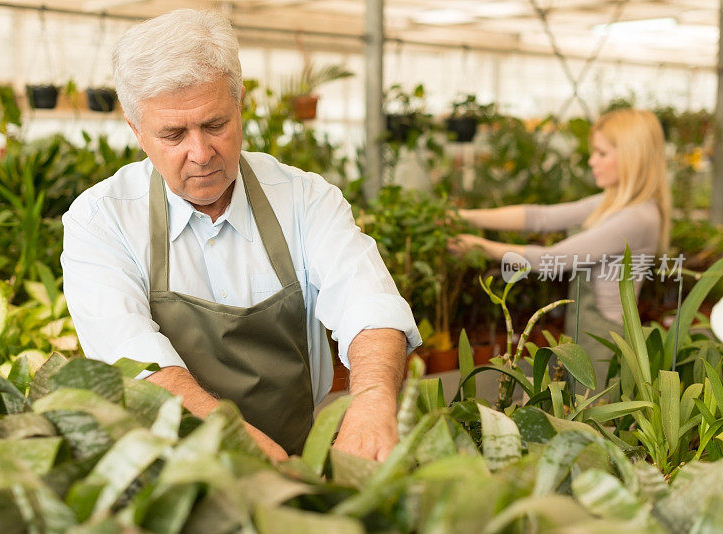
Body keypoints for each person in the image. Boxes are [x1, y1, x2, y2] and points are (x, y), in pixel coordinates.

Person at [61, 9, 420, 463]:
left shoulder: (304, 198)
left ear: (240, 104)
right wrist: (239, 445)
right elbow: (136, 363)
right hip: (170, 475)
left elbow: (369, 305)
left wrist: (371, 400)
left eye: (215, 125)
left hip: (297, 465)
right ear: (137, 131)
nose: (201, 153)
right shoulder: (102, 220)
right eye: (173, 134)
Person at [448, 108, 672, 386]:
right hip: (585, 334)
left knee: (595, 421)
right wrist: (466, 217)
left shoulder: (637, 217)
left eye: (602, 154)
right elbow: (540, 217)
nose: (592, 161)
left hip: (605, 345)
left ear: (632, 157)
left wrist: (480, 245)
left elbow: (553, 259)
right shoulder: (613, 204)